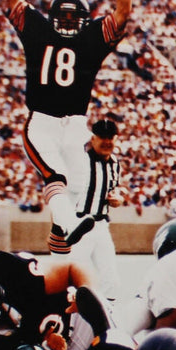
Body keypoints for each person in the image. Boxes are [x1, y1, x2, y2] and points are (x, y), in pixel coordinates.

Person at [2, 0, 131, 254]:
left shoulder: (40, 29)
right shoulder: (89, 36)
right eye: (65, 17)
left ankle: (59, 236)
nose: (70, 22)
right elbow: (122, 12)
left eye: (74, 18)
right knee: (56, 176)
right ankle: (69, 225)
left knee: (79, 184)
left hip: (75, 126)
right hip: (43, 122)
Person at [63, 117, 126, 300]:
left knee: (111, 279)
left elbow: (113, 189)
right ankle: (70, 315)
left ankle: (105, 315)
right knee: (76, 276)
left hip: (101, 226)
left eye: (110, 137)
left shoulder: (115, 163)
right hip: (79, 224)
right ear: (93, 138)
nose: (106, 141)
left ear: (116, 139)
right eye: (102, 137)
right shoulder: (80, 161)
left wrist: (118, 198)